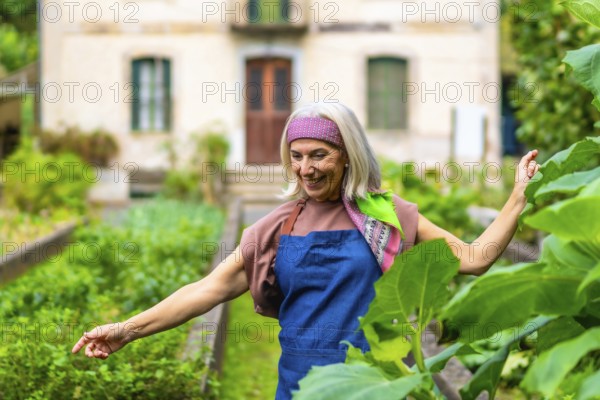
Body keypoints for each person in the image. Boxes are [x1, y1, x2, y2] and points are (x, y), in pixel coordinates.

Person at [72, 102, 539, 399]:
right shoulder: (276, 227)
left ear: (347, 156)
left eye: (319, 155)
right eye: (296, 156)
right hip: (300, 385)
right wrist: (127, 330)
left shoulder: (389, 215)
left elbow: (474, 259)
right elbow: (206, 290)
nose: (305, 169)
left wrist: (517, 197)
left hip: (379, 383)